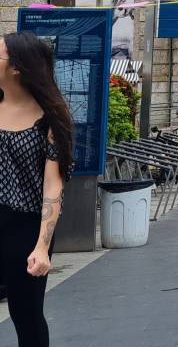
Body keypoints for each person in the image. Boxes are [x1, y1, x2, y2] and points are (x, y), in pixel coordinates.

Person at [0, 32, 74, 347]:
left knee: (26, 314)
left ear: (16, 67)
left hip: (25, 226)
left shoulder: (50, 118)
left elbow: (53, 185)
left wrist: (42, 245)